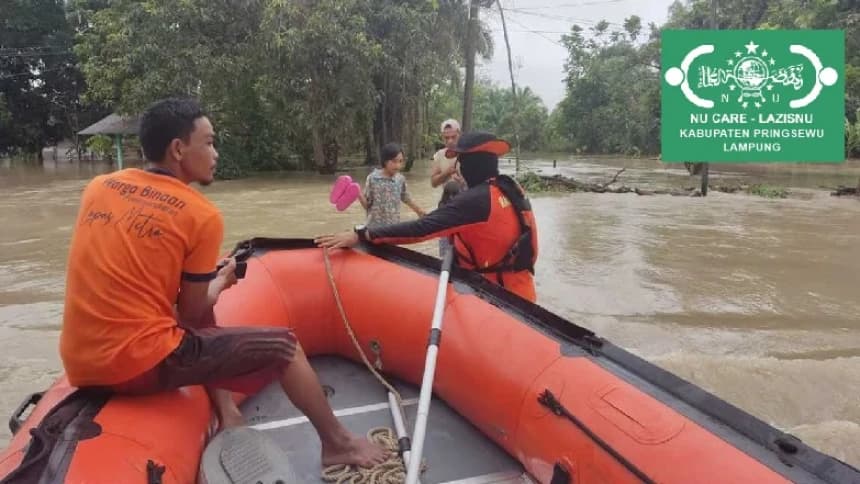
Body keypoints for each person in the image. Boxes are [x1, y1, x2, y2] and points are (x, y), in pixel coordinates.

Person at [58, 97, 387, 468]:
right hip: (137, 365)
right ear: (178, 149)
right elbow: (192, 313)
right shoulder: (200, 214)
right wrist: (222, 282)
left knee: (202, 309)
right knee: (285, 347)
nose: (215, 154)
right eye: (209, 142)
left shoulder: (100, 187)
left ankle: (226, 409)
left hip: (79, 364)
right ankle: (339, 444)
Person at [316, 131, 539, 303]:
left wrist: (361, 234)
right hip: (520, 289)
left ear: (467, 165)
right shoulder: (509, 187)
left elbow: (420, 229)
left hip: (502, 298)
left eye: (459, 162)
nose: (457, 168)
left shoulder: (475, 200)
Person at [357, 142, 425, 228]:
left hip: (393, 227)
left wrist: (419, 211)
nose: (398, 165)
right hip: (374, 228)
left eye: (400, 161)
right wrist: (358, 194)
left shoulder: (400, 179)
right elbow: (367, 205)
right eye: (394, 161)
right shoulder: (373, 178)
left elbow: (405, 198)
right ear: (385, 161)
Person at [430, 119, 467, 256]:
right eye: (446, 138)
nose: (450, 141)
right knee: (446, 248)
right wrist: (446, 173)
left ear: (459, 134)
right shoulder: (439, 155)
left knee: (464, 246)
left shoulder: (468, 154)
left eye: (453, 137)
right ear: (442, 138)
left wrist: (463, 182)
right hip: (447, 204)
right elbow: (433, 183)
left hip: (466, 204)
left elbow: (479, 182)